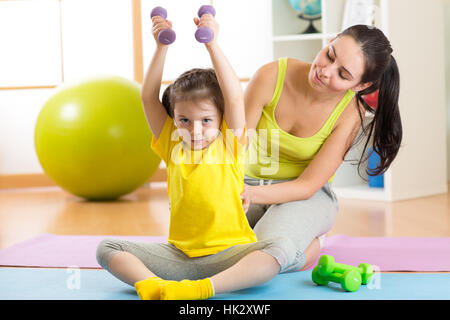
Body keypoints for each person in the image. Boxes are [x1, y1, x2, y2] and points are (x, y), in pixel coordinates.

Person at [96, 10, 279, 300]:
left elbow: (233, 96)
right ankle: (156, 286)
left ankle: (201, 289)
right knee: (107, 248)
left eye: (206, 120)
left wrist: (212, 44)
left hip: (229, 255)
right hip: (180, 257)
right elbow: (147, 98)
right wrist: (160, 47)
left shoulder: (230, 144)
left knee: (278, 252)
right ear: (174, 120)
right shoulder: (171, 145)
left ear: (221, 120)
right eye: (184, 120)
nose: (194, 130)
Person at [240, 24, 402, 275]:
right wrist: (218, 188)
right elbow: (234, 145)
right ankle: (287, 241)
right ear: (331, 39)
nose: (325, 71)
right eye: (330, 54)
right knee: (207, 250)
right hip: (249, 184)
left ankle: (308, 250)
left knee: (263, 255)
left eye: (343, 74)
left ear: (360, 86)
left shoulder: (350, 113)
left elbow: (307, 186)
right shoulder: (270, 76)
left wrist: (246, 194)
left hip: (306, 196)